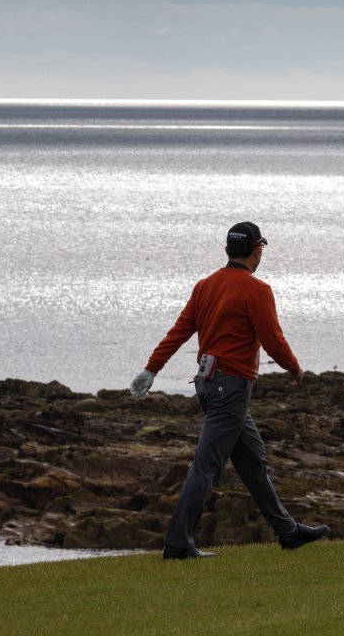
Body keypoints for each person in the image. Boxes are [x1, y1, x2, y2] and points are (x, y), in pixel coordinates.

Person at [129, 221, 330, 559]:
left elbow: (178, 331)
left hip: (208, 386)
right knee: (205, 466)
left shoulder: (205, 285)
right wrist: (294, 368)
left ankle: (287, 531)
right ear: (258, 249)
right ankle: (178, 543)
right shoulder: (256, 290)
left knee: (253, 462)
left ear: (228, 249)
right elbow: (273, 340)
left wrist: (151, 369)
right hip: (232, 388)